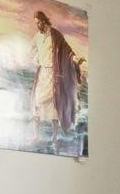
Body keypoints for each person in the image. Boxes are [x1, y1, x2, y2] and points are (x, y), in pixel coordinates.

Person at [28, 9, 84, 150]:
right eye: (36, 23)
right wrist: (34, 59)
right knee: (36, 104)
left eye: (39, 22)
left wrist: (76, 60)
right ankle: (36, 136)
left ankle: (54, 139)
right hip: (42, 74)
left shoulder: (56, 35)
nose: (38, 25)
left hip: (54, 75)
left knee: (54, 107)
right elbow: (31, 50)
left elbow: (67, 50)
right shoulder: (37, 36)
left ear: (44, 21)